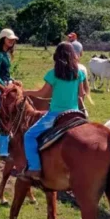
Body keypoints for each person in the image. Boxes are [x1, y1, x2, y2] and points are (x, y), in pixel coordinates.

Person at [20, 42, 86, 181]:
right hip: (75, 114)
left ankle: (34, 168)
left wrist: (25, 92)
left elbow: (42, 94)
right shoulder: (79, 73)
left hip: (56, 115)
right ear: (73, 56)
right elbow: (82, 93)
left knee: (29, 136)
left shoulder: (53, 74)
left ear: (56, 56)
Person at [0, 28, 19, 159]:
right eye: (9, 38)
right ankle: (2, 151)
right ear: (3, 39)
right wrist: (5, 86)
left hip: (7, 85)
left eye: (13, 39)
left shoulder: (6, 54)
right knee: (5, 113)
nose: (12, 41)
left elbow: (6, 73)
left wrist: (12, 80)